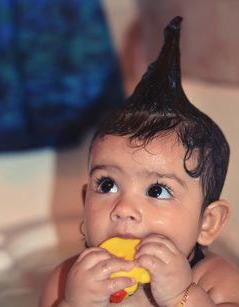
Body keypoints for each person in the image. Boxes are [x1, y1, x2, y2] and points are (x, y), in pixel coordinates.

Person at [39, 17, 239, 307]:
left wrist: (180, 294)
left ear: (207, 223)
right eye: (107, 185)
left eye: (157, 190)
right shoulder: (68, 281)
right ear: (85, 203)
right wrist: (74, 303)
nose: (124, 210)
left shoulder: (216, 280)